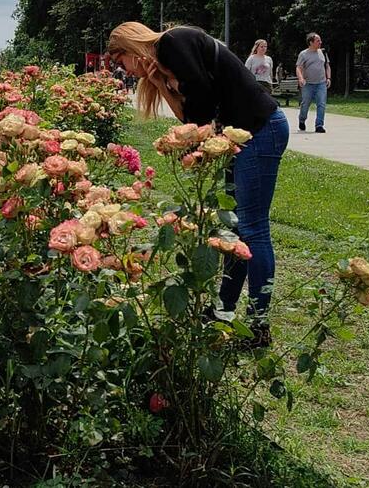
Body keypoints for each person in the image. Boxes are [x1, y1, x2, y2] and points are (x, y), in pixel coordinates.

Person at [107, 22, 289, 347]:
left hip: (262, 130)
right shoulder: (164, 65)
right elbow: (191, 119)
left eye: (122, 62)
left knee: (253, 228)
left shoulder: (173, 42)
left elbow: (201, 105)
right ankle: (222, 312)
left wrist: (194, 143)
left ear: (129, 47)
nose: (126, 71)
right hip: (243, 137)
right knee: (234, 231)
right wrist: (160, 84)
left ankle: (258, 326)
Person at [296, 32, 331, 133]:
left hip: (321, 83)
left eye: (320, 40)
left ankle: (319, 125)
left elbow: (327, 66)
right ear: (311, 42)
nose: (320, 42)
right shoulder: (303, 54)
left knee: (321, 104)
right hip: (308, 84)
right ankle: (302, 120)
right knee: (305, 104)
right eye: (318, 41)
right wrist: (301, 78)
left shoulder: (323, 52)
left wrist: (328, 78)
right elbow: (299, 67)